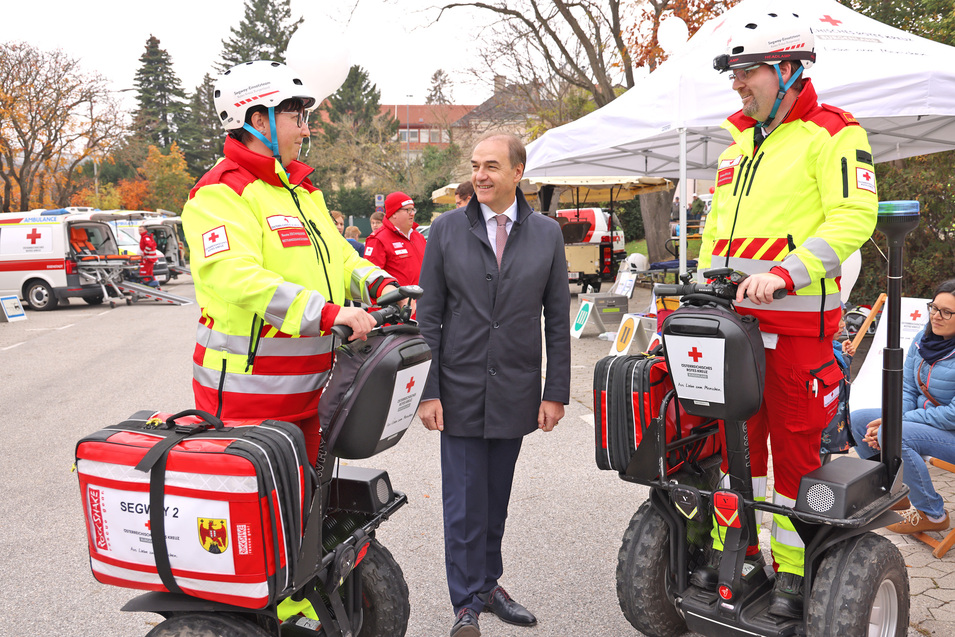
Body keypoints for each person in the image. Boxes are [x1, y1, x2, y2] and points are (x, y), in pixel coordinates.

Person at [693, 10, 878, 619]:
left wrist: (787, 273)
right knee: (734, 446)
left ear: (790, 68)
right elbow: (717, 227)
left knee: (795, 455)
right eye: (735, 73)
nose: (738, 83)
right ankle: (736, 553)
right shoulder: (738, 141)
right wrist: (700, 282)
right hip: (732, 325)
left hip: (795, 328)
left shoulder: (834, 133)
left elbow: (853, 219)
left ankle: (796, 575)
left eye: (748, 71)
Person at [181, 60, 398, 464]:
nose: (306, 128)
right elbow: (235, 275)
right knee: (268, 519)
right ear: (257, 119)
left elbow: (341, 257)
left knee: (309, 513)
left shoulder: (300, 189)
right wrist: (329, 313)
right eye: (296, 116)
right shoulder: (221, 192)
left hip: (315, 386)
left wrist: (382, 285)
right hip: (249, 396)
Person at [416, 133, 571, 637]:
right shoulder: (445, 230)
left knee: (495, 499)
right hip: (457, 388)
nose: (480, 175)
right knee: (463, 502)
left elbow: (556, 318)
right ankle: (465, 603)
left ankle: (487, 585)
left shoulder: (547, 234)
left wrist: (556, 391)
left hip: (517, 389)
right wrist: (428, 390)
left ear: (518, 172)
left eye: (492, 166)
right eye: (476, 165)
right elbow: (429, 318)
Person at [850, 279, 955, 534]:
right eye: (934, 307)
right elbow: (907, 388)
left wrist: (897, 425)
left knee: (895, 434)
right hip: (924, 420)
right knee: (859, 419)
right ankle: (896, 493)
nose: (935, 316)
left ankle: (933, 513)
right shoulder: (924, 337)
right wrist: (896, 420)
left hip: (950, 430)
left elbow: (953, 415)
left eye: (947, 312)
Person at [363, 191, 427, 287]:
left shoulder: (419, 237)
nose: (412, 213)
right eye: (408, 210)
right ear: (394, 213)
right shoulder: (378, 239)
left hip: (425, 298)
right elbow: (371, 279)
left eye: (413, 209)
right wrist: (399, 299)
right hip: (399, 300)